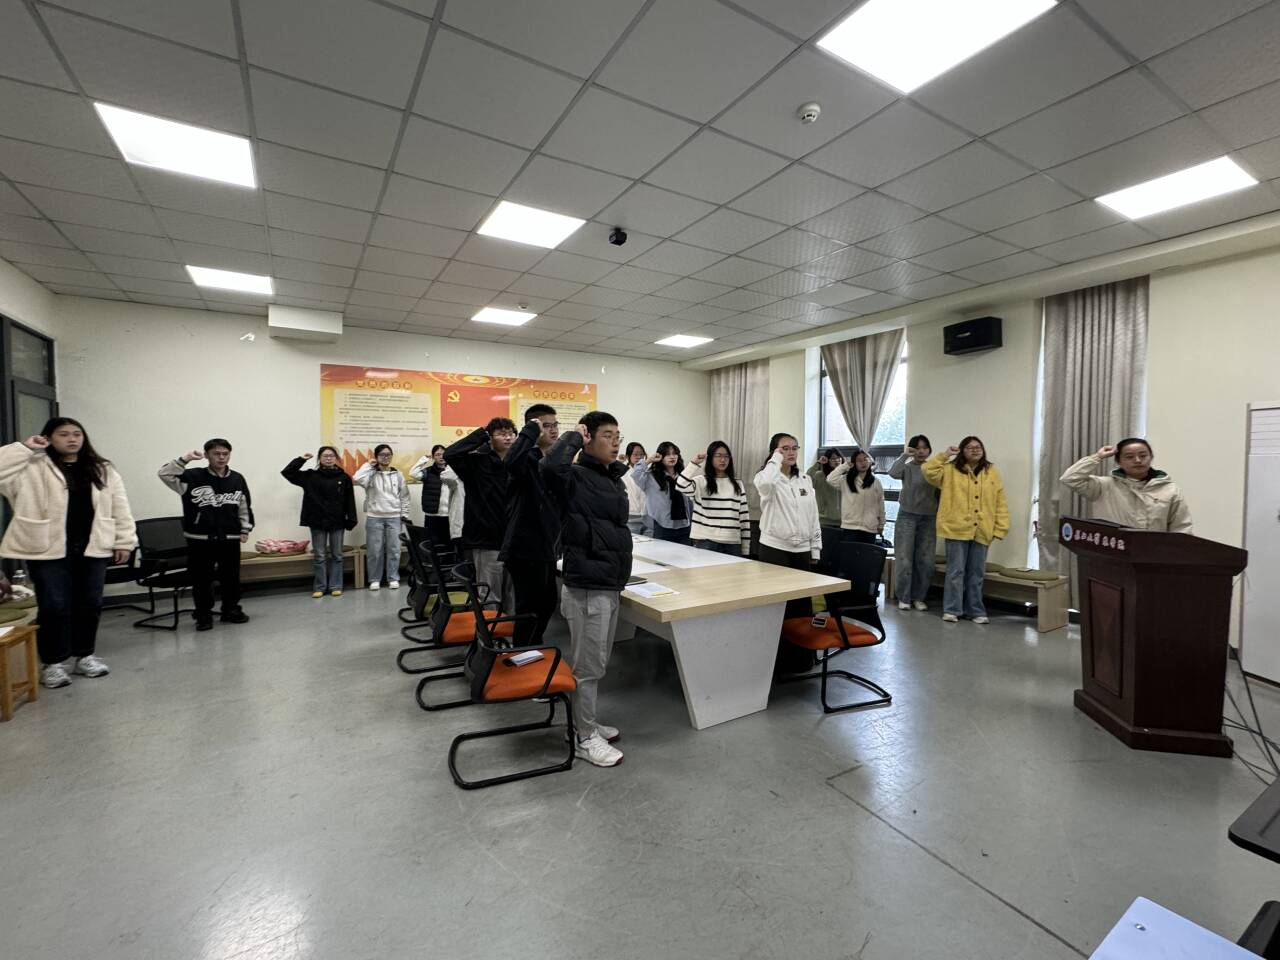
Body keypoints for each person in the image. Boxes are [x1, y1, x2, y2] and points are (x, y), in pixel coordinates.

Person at [0, 419, 136, 688]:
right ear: (48, 437)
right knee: (54, 605)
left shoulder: (101, 468)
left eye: (77, 434)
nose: (72, 439)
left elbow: (120, 507)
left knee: (90, 603)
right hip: (46, 548)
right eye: (63, 434)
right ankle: (53, 663)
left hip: (93, 546)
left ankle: (85, 655)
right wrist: (25, 448)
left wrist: (124, 541)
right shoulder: (31, 465)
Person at [540, 412, 631, 769]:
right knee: (588, 666)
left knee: (597, 662)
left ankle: (586, 723)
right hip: (588, 586)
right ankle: (584, 737)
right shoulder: (574, 475)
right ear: (588, 438)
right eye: (607, 435)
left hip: (608, 582)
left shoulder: (610, 477)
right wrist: (573, 437)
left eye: (617, 435)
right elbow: (550, 468)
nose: (615, 441)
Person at [158, 438, 254, 631]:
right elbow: (164, 474)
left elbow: (244, 505)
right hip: (200, 539)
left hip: (229, 538)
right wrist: (185, 459)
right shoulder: (192, 477)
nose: (221, 457)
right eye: (216, 454)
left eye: (225, 454)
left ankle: (231, 609)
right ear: (207, 455)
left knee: (231, 578)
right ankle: (203, 614)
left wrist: (245, 528)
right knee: (202, 579)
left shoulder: (237, 478)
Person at [753, 433, 822, 674]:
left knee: (801, 606)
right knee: (778, 607)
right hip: (775, 549)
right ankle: (776, 662)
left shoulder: (805, 479)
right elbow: (764, 485)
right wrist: (775, 460)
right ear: (774, 451)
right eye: (785, 448)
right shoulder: (766, 477)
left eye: (794, 448)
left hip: (801, 550)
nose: (791, 453)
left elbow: (813, 515)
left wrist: (815, 547)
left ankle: (801, 660)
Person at [922, 436, 1009, 624]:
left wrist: (1000, 527)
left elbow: (1000, 501)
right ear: (962, 451)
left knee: (977, 573)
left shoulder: (991, 471)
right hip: (956, 528)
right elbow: (928, 471)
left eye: (978, 447)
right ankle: (952, 609)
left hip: (982, 529)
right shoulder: (950, 470)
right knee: (956, 571)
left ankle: (975, 611)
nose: (975, 450)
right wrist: (945, 455)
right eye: (970, 447)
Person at [501, 404, 561, 646]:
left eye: (555, 425)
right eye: (546, 426)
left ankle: (533, 649)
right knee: (529, 608)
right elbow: (511, 461)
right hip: (524, 548)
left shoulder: (550, 461)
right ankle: (522, 653)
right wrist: (530, 431)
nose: (553, 430)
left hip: (545, 547)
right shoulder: (526, 459)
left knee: (547, 603)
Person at [445, 417, 516, 608]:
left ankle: (509, 625)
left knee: (512, 594)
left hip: (513, 540)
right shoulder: (477, 463)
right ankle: (490, 627)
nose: (508, 437)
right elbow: (451, 454)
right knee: (490, 595)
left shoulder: (517, 463)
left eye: (511, 433)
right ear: (490, 438)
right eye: (501, 434)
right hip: (487, 539)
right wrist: (481, 434)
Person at [1060, 439, 1192, 532]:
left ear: (1151, 457)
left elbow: (1181, 527)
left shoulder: (1169, 490)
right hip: (1113, 552)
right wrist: (1097, 457)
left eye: (1143, 455)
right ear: (1119, 461)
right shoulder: (1104, 486)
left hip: (1153, 554)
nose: (1138, 460)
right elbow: (1070, 478)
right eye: (1129, 457)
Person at [282, 446, 357, 598]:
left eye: (331, 456)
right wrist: (301, 460)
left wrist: (351, 519)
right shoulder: (310, 476)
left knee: (337, 555)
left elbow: (350, 500)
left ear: (336, 458)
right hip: (317, 521)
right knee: (320, 556)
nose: (328, 458)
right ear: (319, 459)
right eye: (325, 456)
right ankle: (320, 587)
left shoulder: (343, 477)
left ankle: (336, 586)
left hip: (337, 521)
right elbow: (287, 473)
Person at [888, 435, 940, 612]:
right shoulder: (907, 467)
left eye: (925, 448)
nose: (921, 451)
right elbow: (892, 473)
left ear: (929, 450)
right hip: (907, 516)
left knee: (926, 561)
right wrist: (904, 455)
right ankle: (904, 597)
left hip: (929, 518)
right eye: (917, 448)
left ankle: (919, 597)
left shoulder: (933, 468)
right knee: (904, 559)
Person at [353, 444, 410, 591]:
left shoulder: (397, 474)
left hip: (394, 516)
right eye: (382, 455)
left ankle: (393, 578)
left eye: (388, 454)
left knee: (394, 549)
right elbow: (357, 478)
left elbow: (404, 496)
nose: (386, 457)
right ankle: (375, 579)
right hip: (375, 516)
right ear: (376, 457)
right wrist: (368, 465)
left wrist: (404, 514)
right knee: (374, 550)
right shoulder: (370, 474)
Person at [685, 440, 751, 556]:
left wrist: (746, 547)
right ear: (710, 458)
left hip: (732, 542)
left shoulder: (737, 484)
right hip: (707, 540)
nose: (723, 460)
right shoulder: (701, 481)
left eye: (726, 456)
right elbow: (680, 485)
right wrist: (693, 464)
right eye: (718, 456)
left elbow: (744, 517)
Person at [630, 441, 693, 542]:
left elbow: (689, 501)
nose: (672, 457)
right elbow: (636, 474)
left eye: (674, 453)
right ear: (660, 456)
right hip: (661, 525)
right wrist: (649, 460)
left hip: (684, 525)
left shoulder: (683, 476)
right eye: (667, 454)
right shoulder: (651, 476)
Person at [825, 447, 885, 544]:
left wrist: (881, 524)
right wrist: (845, 466)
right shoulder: (846, 480)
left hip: (870, 528)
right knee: (849, 554)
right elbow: (830, 479)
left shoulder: (876, 482)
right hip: (850, 527)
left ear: (869, 461)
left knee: (866, 554)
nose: (863, 463)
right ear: (854, 463)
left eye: (865, 459)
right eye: (859, 461)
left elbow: (881, 504)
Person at [409, 444, 462, 549]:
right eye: (437, 455)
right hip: (432, 515)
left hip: (449, 515)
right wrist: (424, 459)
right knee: (432, 545)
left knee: (450, 545)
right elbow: (413, 473)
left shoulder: (453, 471)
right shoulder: (428, 472)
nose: (441, 457)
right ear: (433, 457)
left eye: (443, 454)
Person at [807, 448, 844, 527]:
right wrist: (818, 463)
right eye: (833, 458)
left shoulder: (845, 477)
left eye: (838, 457)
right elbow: (806, 479)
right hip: (824, 521)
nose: (837, 460)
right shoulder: (819, 475)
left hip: (844, 521)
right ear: (827, 460)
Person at [621, 442, 651, 536]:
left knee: (651, 543)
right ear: (628, 456)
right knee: (633, 544)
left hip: (648, 516)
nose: (639, 457)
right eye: (635, 454)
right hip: (630, 517)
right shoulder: (623, 473)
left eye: (642, 454)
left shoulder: (649, 471)